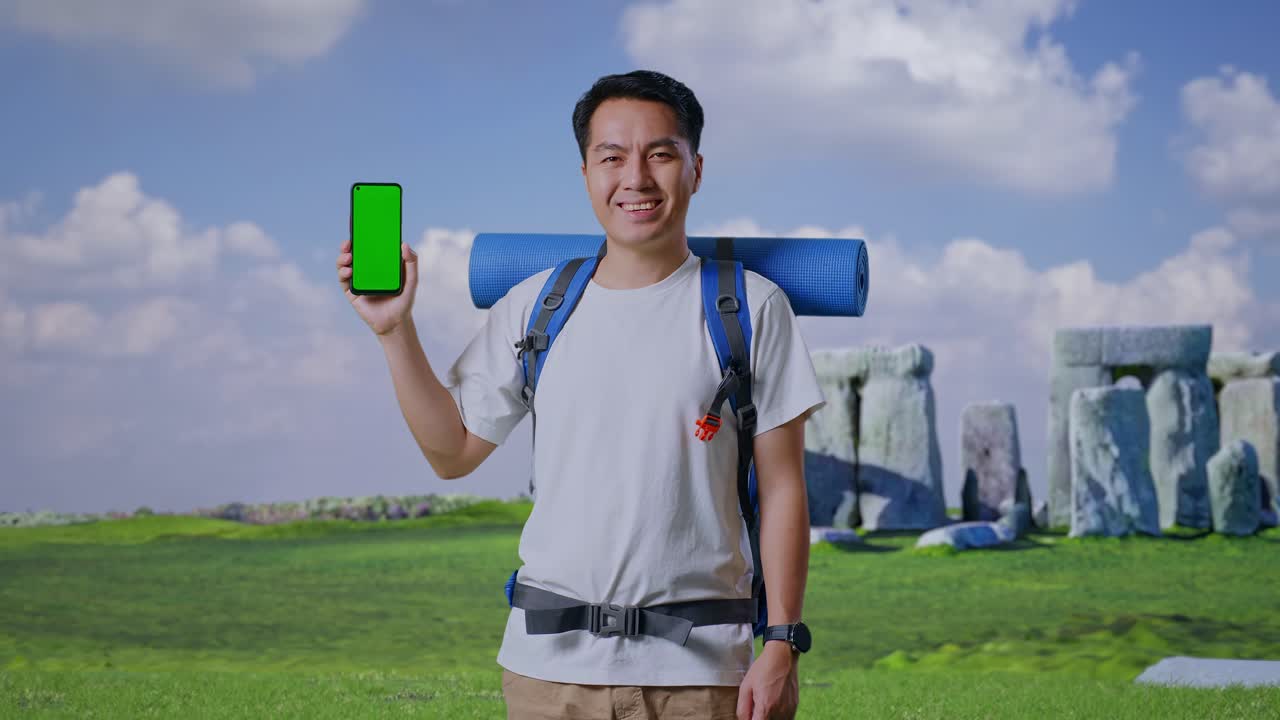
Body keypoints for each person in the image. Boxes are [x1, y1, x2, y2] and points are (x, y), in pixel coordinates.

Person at [336, 69, 825, 720]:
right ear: (587, 173)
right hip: (548, 674)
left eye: (660, 154)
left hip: (703, 675)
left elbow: (784, 486)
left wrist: (782, 643)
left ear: (696, 170)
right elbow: (451, 453)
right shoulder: (536, 306)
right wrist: (394, 330)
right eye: (612, 157)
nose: (636, 178)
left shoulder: (752, 308)